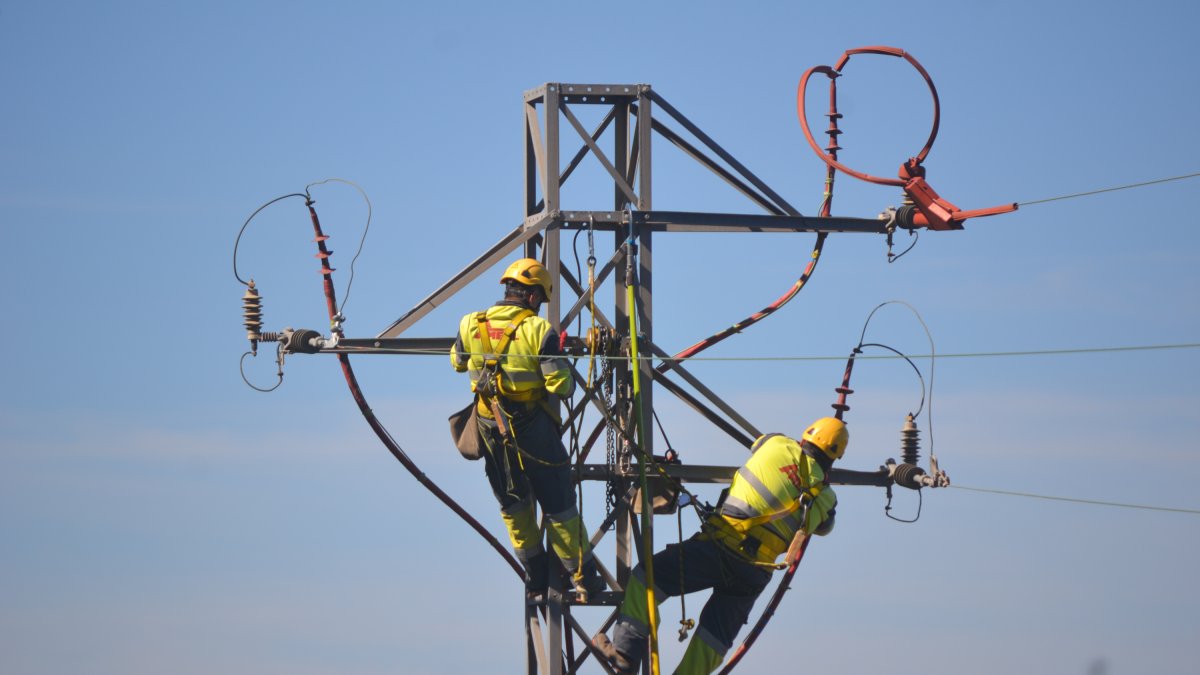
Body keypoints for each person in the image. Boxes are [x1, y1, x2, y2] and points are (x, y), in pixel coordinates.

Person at [593, 417, 848, 674]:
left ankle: (626, 654)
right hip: (754, 574)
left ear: (804, 438)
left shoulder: (776, 444)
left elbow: (759, 444)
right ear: (834, 460)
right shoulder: (826, 499)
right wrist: (819, 479)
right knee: (713, 640)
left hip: (721, 547)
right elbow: (824, 527)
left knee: (646, 579)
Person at [450, 257, 604, 599]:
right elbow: (561, 387)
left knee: (513, 503)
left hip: (490, 428)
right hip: (532, 430)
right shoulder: (538, 331)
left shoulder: (469, 324)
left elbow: (458, 362)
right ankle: (582, 576)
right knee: (558, 502)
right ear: (533, 297)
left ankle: (535, 573)